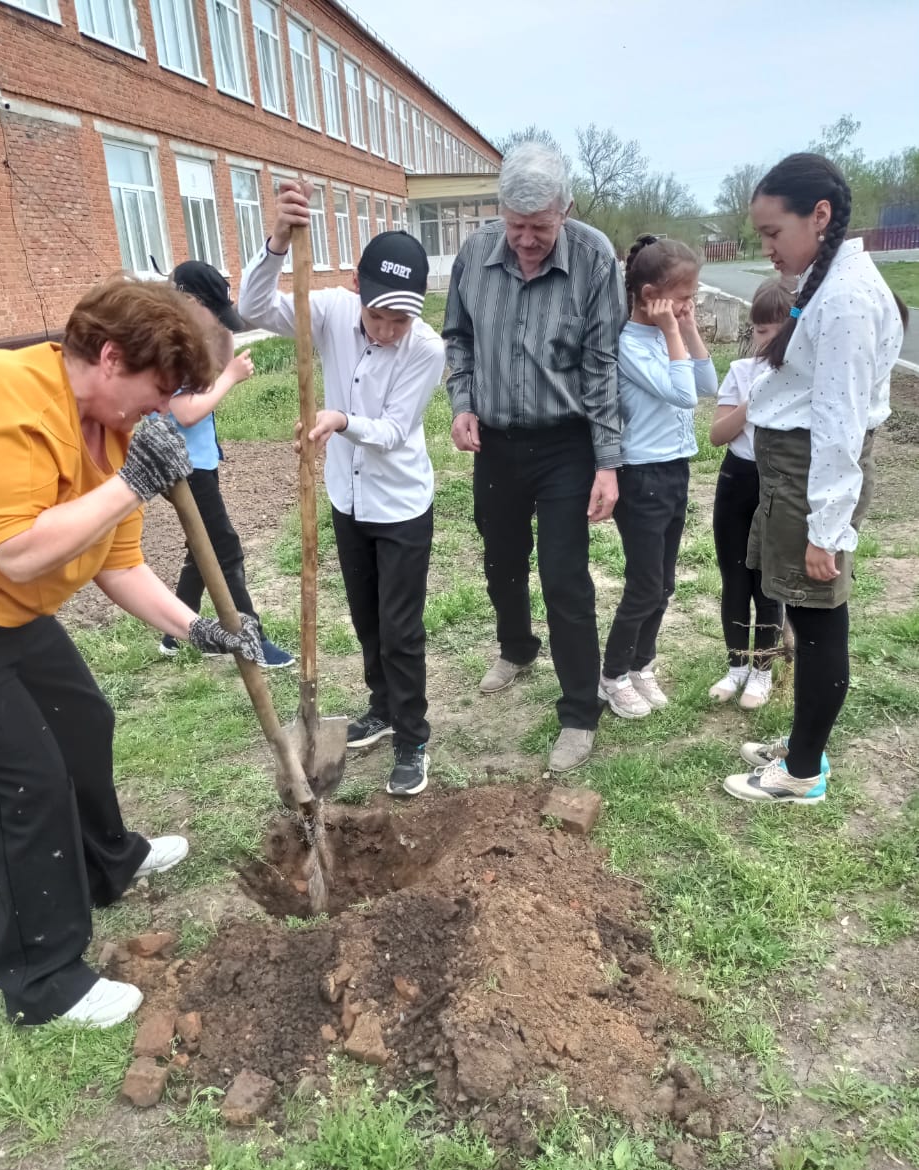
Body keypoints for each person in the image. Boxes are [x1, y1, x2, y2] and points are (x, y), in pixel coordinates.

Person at [0, 278, 265, 1028]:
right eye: (157, 390)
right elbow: (19, 552)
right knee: (24, 785)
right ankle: (43, 981)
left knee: (84, 721)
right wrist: (131, 485)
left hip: (7, 613)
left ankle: (107, 862)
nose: (162, 409)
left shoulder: (117, 428)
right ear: (107, 358)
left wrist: (194, 628)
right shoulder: (2, 390)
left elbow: (117, 563)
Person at [238, 184, 446, 797]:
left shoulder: (425, 349)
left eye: (400, 318)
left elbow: (393, 429)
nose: (387, 329)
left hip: (401, 503)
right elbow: (253, 308)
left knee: (401, 627)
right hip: (346, 498)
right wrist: (277, 241)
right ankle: (382, 707)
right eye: (379, 314)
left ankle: (412, 737)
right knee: (366, 620)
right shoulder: (326, 307)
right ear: (357, 289)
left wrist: (339, 420)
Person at [723, 154, 904, 804]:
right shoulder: (826, 284)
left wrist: (824, 531)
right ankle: (802, 749)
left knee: (820, 623)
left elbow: (838, 425)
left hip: (811, 478)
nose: (765, 247)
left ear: (818, 216)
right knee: (807, 618)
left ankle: (800, 773)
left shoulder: (848, 300)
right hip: (793, 472)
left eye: (773, 233)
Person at [443, 142, 626, 773]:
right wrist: (462, 402)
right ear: (499, 213)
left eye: (540, 228)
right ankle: (517, 649)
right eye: (515, 227)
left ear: (565, 212)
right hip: (495, 442)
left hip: (565, 445)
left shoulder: (595, 257)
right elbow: (458, 338)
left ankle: (579, 710)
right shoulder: (474, 254)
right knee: (500, 558)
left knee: (565, 576)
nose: (525, 241)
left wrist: (608, 462)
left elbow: (603, 364)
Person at [598, 235, 717, 718]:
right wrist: (672, 333)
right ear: (652, 295)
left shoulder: (668, 336)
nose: (691, 304)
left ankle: (641, 664)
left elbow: (708, 385)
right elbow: (683, 394)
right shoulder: (630, 345)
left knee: (664, 583)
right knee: (644, 584)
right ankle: (611, 676)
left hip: (675, 469)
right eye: (685, 296)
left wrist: (687, 330)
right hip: (642, 475)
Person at [157, 260, 294, 669]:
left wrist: (222, 326)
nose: (218, 321)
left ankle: (173, 633)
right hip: (180, 464)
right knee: (226, 549)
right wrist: (231, 377)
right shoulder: (168, 344)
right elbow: (184, 412)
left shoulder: (186, 332)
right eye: (212, 310)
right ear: (190, 300)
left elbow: (218, 360)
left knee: (201, 547)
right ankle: (252, 639)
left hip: (198, 460)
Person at [707, 279, 790, 708]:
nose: (768, 341)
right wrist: (753, 399)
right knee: (735, 579)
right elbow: (717, 434)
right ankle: (736, 664)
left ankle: (762, 670)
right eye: (760, 331)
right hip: (737, 479)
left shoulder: (800, 378)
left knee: (767, 584)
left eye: (778, 333)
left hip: (778, 483)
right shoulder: (742, 372)